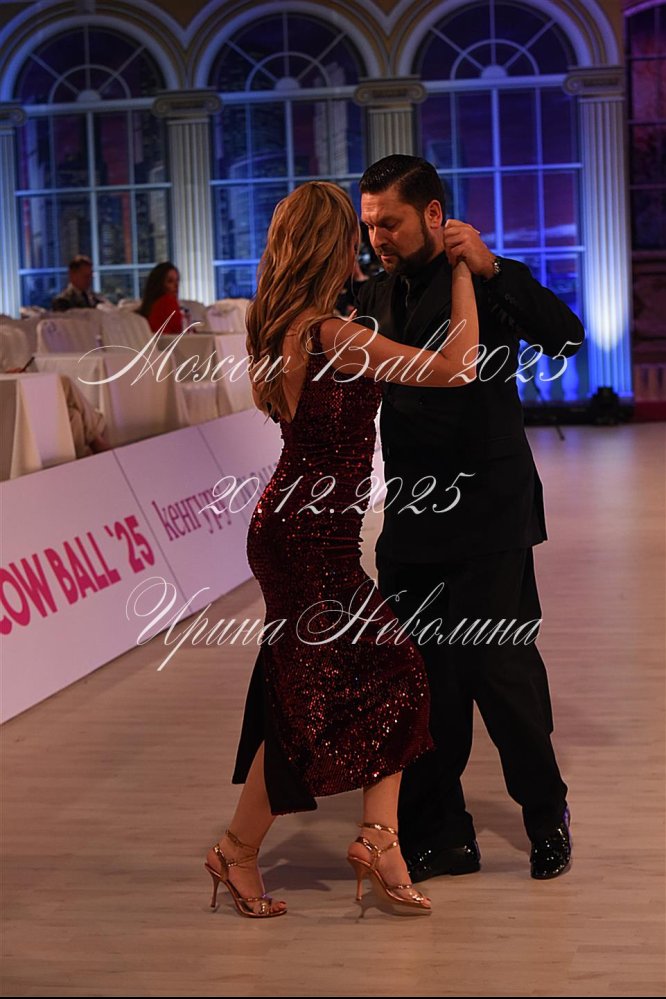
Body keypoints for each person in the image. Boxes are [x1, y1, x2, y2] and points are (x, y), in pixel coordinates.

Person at [203, 180, 480, 919]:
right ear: (333, 246)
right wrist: (462, 272)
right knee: (386, 673)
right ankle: (297, 844)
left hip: (297, 529)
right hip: (308, 539)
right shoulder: (332, 336)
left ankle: (350, 839)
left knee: (333, 688)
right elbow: (458, 366)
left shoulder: (287, 328)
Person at [354, 154, 584, 884]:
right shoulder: (373, 292)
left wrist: (496, 270)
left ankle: (546, 814)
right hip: (413, 518)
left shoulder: (486, 279)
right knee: (424, 684)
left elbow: (566, 338)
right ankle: (445, 834)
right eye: (369, 225)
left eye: (389, 222)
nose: (377, 237)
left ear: (433, 214)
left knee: (500, 672)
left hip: (490, 512)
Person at [136, 262, 184, 334]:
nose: (176, 285)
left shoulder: (150, 307)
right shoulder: (168, 301)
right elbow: (179, 330)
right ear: (159, 284)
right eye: (170, 281)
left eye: (177, 280)